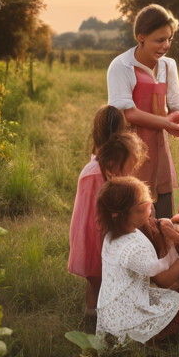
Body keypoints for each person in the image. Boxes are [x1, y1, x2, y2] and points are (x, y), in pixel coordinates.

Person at [95, 176, 179, 344]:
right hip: (129, 314)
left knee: (178, 303)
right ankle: (142, 337)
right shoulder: (131, 248)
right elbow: (155, 269)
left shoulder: (117, 234)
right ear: (125, 214)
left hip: (127, 302)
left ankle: (164, 330)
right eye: (144, 207)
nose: (150, 210)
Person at [107, 4, 179, 219]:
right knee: (133, 206)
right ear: (141, 38)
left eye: (170, 39)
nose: (166, 45)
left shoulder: (168, 66)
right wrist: (169, 124)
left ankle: (163, 251)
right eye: (159, 40)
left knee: (163, 206)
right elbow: (129, 114)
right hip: (130, 149)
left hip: (159, 146)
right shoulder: (121, 66)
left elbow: (175, 108)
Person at [68, 112, 147, 316]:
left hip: (100, 230)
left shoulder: (104, 167)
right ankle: (94, 313)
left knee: (102, 277)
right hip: (95, 233)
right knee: (96, 276)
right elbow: (95, 213)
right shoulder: (95, 174)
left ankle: (101, 312)